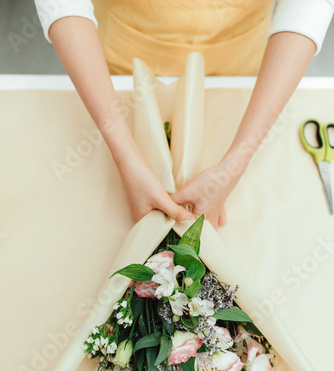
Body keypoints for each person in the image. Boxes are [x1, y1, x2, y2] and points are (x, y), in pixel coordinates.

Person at [34, 0, 334, 228]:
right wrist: (125, 157)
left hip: (241, 63)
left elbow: (308, 7)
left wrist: (236, 162)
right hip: (119, 58)